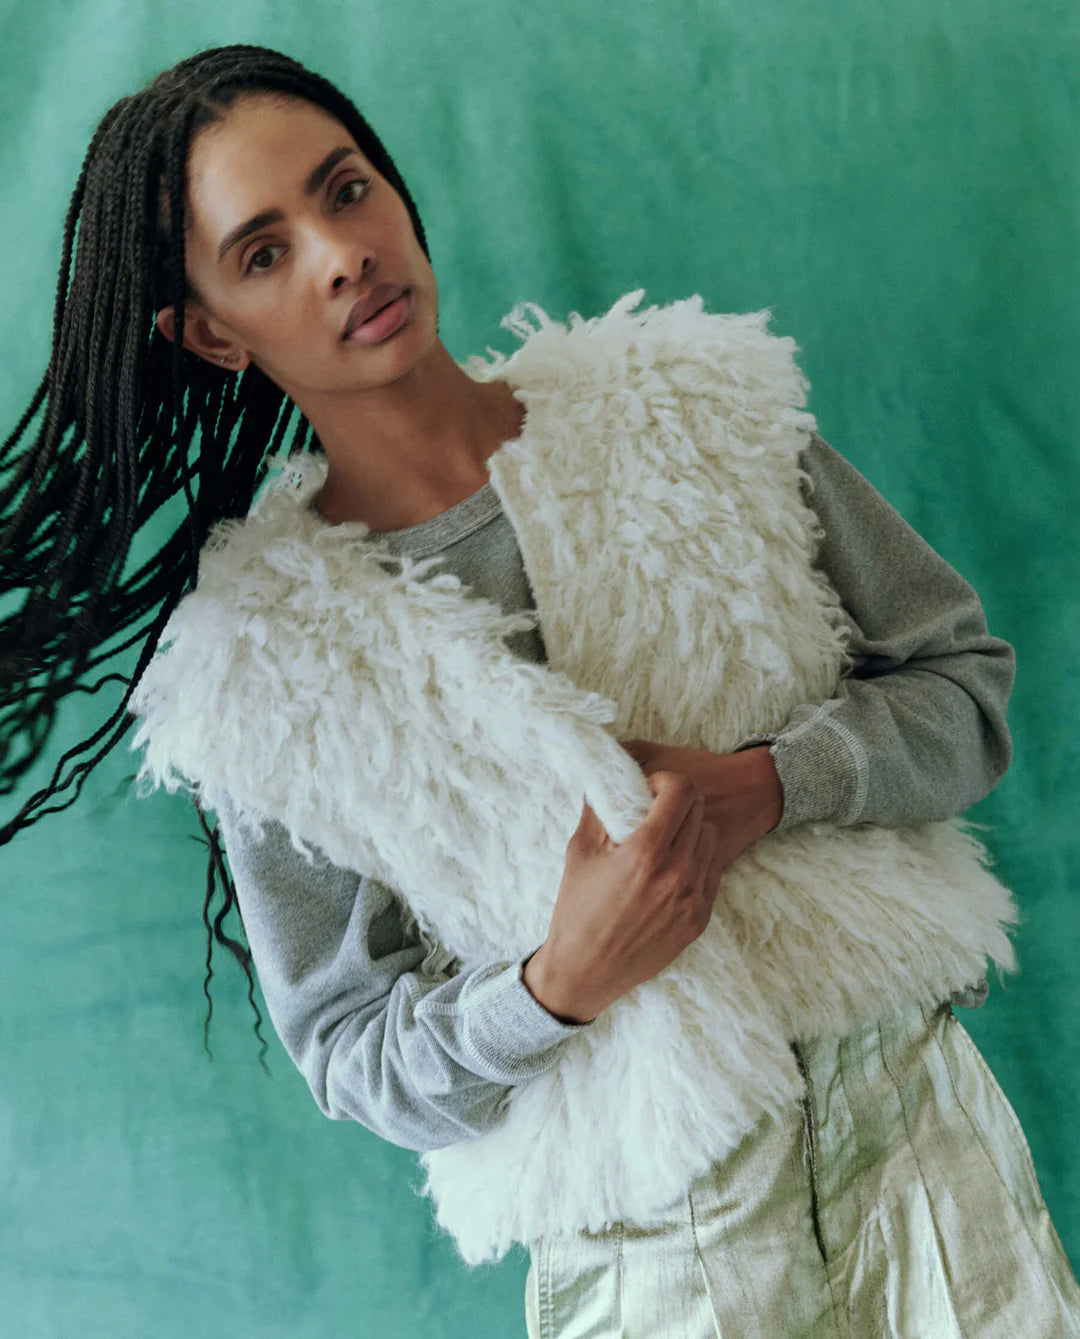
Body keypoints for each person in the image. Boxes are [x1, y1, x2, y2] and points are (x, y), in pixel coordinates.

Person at [2, 42, 1078, 1338]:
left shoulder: (702, 408)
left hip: (916, 1134)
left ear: (396, 194)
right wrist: (555, 982)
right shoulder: (261, 673)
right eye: (264, 251)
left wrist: (762, 789)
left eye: (345, 192)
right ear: (208, 333)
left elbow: (961, 690)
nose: (340, 254)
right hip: (657, 1236)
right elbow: (350, 1052)